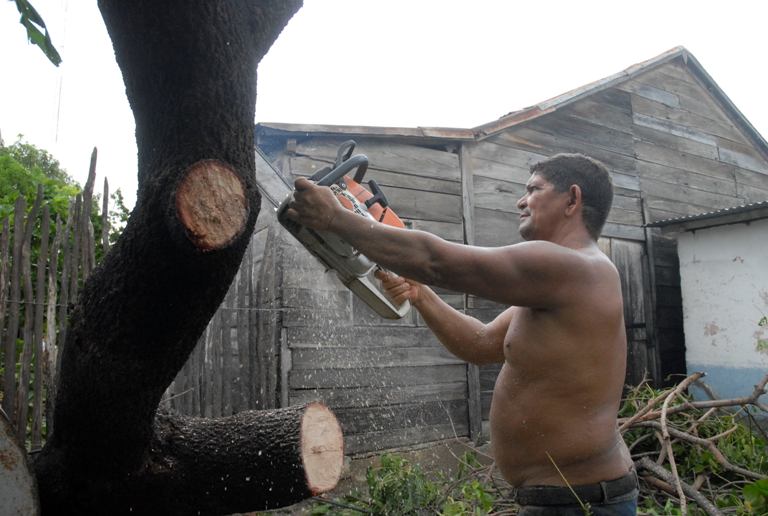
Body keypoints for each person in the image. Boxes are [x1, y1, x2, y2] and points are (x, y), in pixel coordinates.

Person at [285, 153, 638, 515]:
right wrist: (421, 294)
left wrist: (335, 218)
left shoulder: (575, 267)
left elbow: (435, 261)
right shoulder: (559, 280)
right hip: (568, 499)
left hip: (582, 503)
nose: (521, 200)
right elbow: (481, 343)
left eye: (533, 189)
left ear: (572, 199)